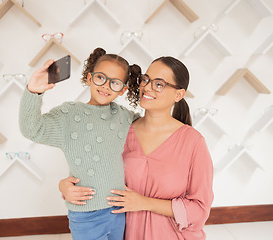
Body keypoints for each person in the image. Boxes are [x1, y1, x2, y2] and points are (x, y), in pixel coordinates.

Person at [59, 56, 214, 239]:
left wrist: (145, 203)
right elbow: (94, 176)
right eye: (146, 79)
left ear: (178, 95)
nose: (147, 87)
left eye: (159, 84)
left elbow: (199, 210)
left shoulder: (193, 142)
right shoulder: (121, 131)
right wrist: (64, 187)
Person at [19, 47, 141, 240]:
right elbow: (32, 129)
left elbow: (153, 127)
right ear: (90, 77)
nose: (106, 86)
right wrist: (33, 91)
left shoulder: (124, 117)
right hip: (86, 215)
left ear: (123, 89)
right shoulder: (69, 115)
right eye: (101, 78)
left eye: (115, 83)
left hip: (120, 211)